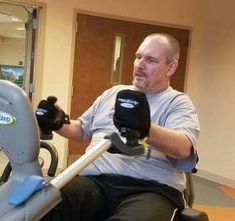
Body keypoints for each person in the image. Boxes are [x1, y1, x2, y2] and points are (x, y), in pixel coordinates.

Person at [37, 33, 200, 221]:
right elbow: (82, 130)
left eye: (151, 60)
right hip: (95, 181)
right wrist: (58, 122)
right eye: (138, 57)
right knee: (42, 206)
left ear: (171, 67)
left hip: (151, 189)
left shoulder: (177, 102)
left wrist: (145, 128)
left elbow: (183, 148)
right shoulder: (113, 93)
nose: (140, 65)